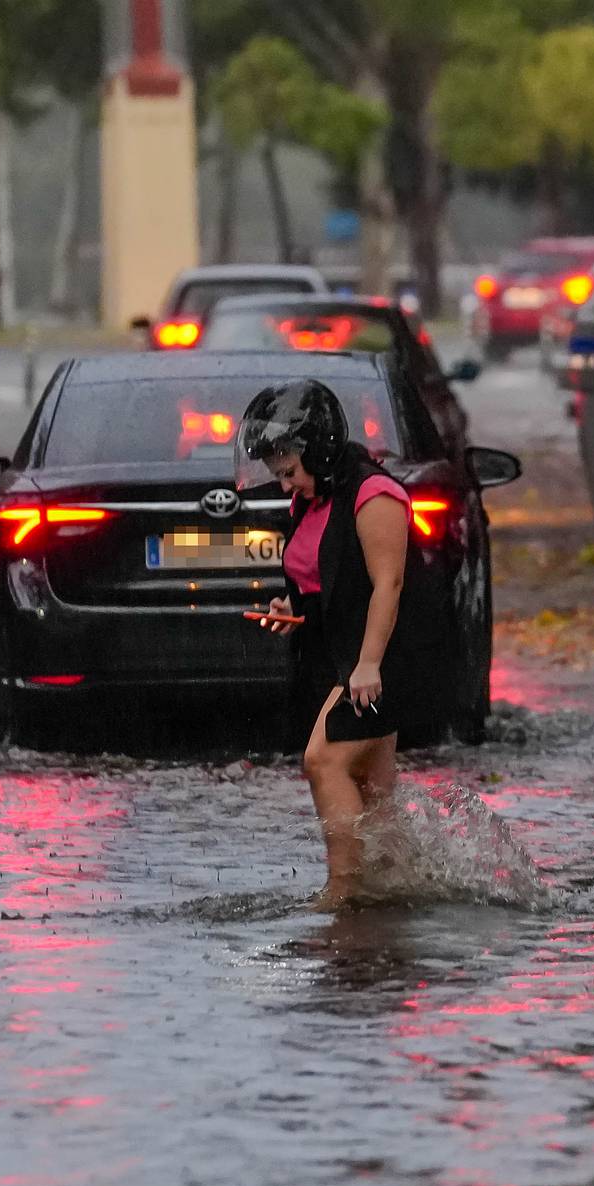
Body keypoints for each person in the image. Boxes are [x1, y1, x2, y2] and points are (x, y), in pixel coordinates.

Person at [236, 379, 431, 909]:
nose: (284, 486)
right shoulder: (314, 499)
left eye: (289, 472)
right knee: (372, 789)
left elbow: (388, 584)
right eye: (277, 475)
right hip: (344, 656)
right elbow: (327, 581)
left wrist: (369, 664)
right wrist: (295, 615)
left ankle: (344, 890)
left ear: (317, 451)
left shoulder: (374, 495)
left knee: (324, 761)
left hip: (382, 658)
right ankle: (402, 887)